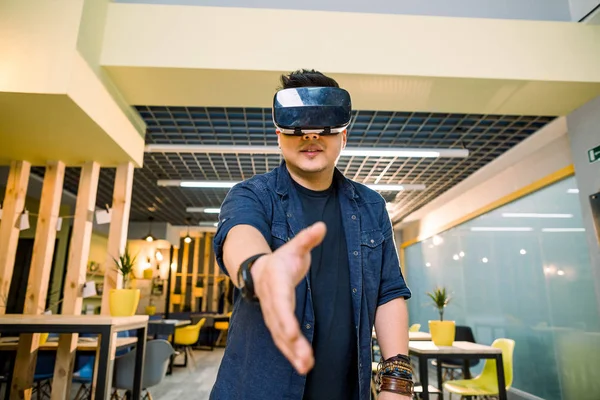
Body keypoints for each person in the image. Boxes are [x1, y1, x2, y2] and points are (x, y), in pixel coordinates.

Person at [210, 69, 413, 400]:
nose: (311, 135)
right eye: (298, 127)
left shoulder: (371, 206)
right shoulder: (252, 195)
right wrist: (259, 271)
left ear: (343, 137)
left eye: (325, 127)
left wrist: (397, 382)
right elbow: (240, 235)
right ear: (279, 134)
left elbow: (388, 293)